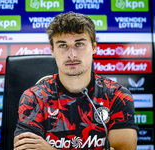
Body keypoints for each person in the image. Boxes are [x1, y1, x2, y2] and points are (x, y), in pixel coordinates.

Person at [13, 12, 139, 150]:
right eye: (62, 45)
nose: (71, 55)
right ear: (52, 50)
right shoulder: (34, 97)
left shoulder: (117, 95)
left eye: (79, 44)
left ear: (94, 47)